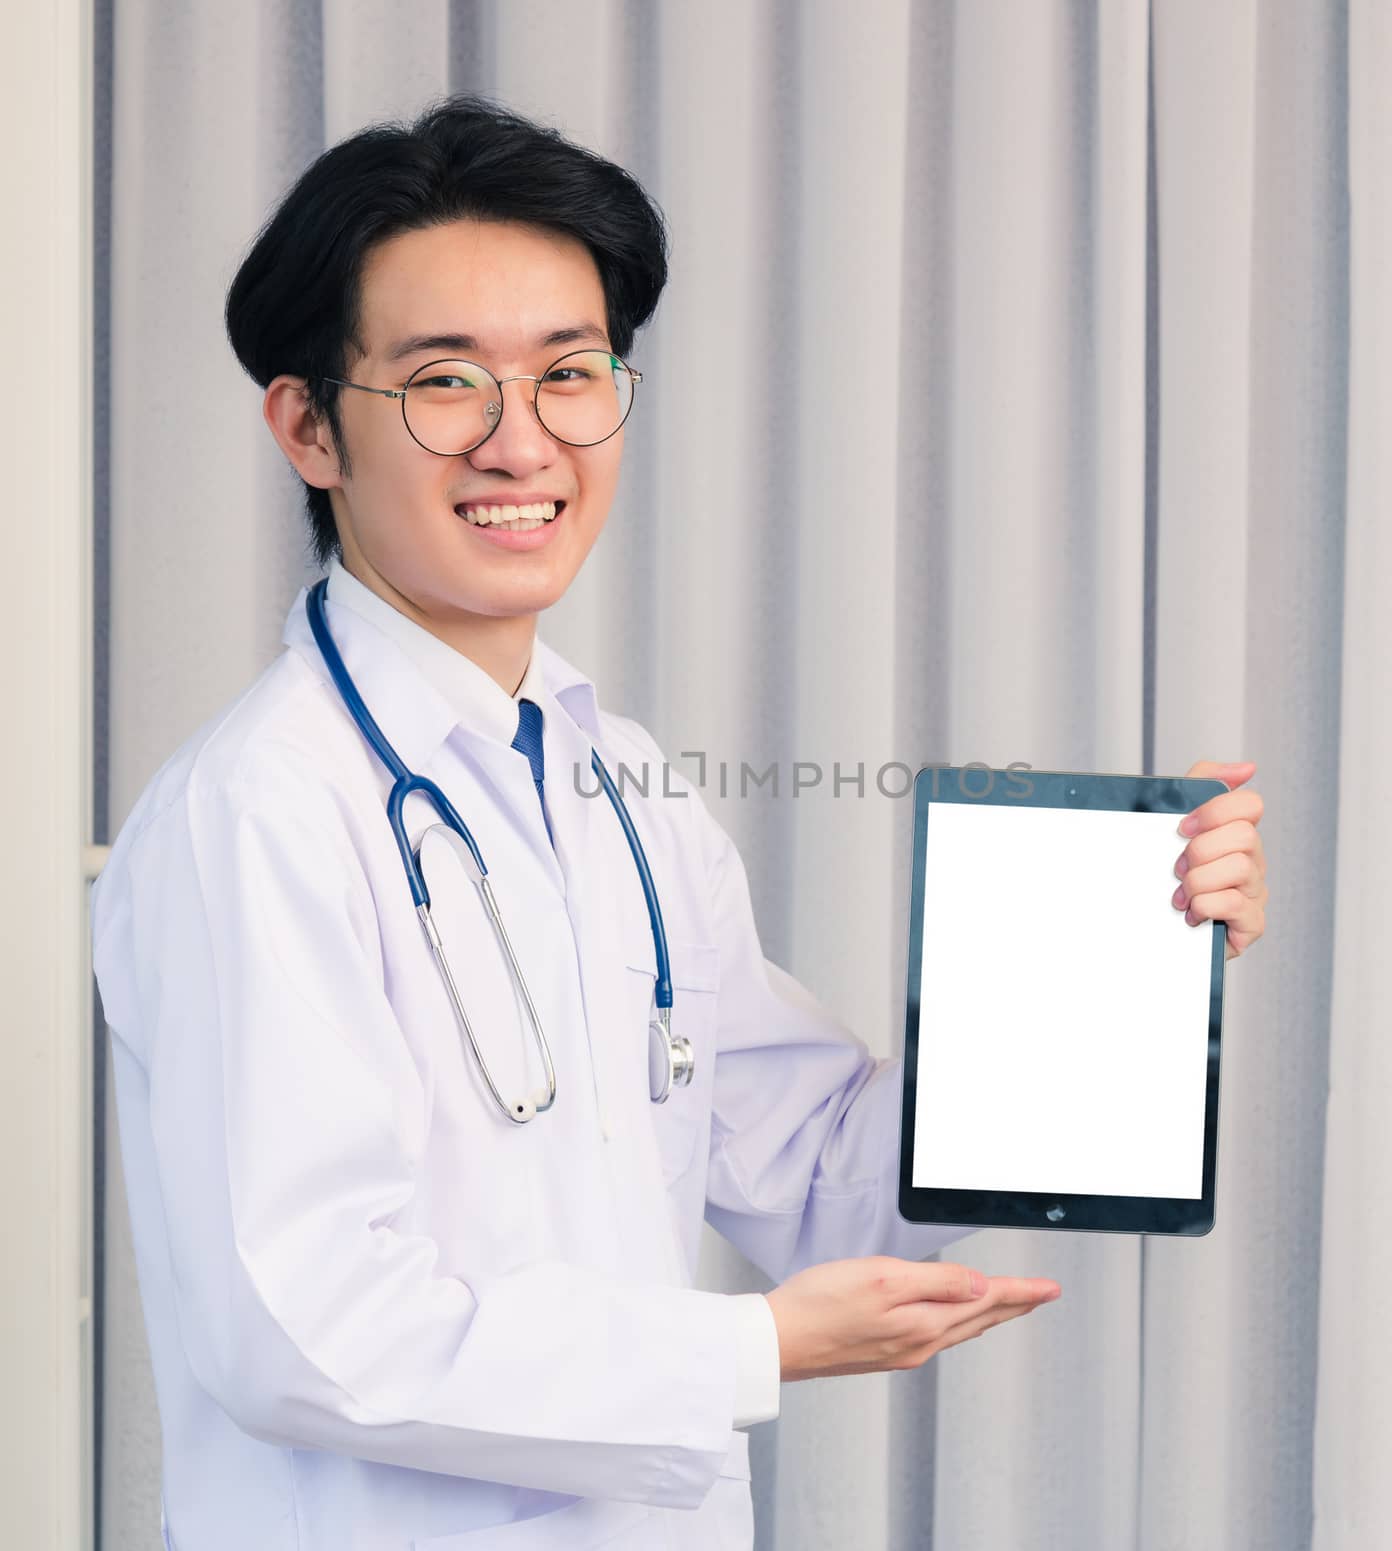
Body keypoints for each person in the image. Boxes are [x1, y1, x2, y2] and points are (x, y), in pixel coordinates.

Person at [91, 96, 1268, 1551]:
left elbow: (825, 1188)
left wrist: (1129, 962)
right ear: (309, 427)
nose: (524, 444)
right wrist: (751, 1351)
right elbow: (306, 1327)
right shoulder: (258, 812)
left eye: (572, 374)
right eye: (446, 382)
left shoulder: (622, 784)